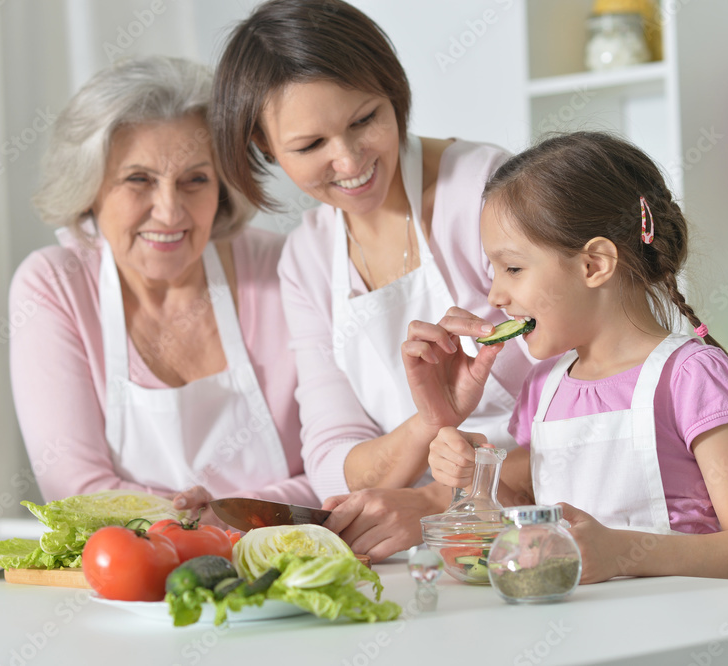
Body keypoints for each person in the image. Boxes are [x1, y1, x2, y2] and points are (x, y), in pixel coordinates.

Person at [212, 0, 535, 559]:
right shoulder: (308, 258)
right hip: (427, 549)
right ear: (267, 149)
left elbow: (595, 397)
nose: (349, 160)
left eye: (364, 120)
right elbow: (333, 464)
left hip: (550, 523)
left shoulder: (484, 190)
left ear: (392, 92)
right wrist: (429, 423)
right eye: (311, 145)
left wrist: (441, 498)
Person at [421, 131, 728, 582]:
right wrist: (473, 476)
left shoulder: (691, 377)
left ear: (594, 264)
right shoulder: (544, 388)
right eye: (493, 270)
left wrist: (625, 553)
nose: (495, 294)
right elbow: (532, 525)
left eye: (513, 268)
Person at [10, 56, 318, 520]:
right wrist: (197, 522)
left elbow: (337, 467)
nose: (170, 211)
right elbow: (76, 492)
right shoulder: (54, 285)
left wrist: (224, 516)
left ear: (223, 188)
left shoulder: (284, 267)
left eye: (195, 180)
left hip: (288, 558)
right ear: (90, 187)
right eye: (139, 180)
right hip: (132, 578)